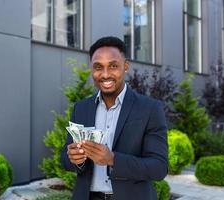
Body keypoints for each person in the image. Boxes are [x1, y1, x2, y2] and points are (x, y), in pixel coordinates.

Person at [61, 36, 168, 200]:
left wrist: (113, 160)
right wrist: (76, 159)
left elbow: (159, 168)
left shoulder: (150, 109)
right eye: (98, 67)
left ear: (125, 66)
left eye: (113, 66)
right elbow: (66, 160)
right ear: (91, 68)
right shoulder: (81, 108)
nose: (105, 74)